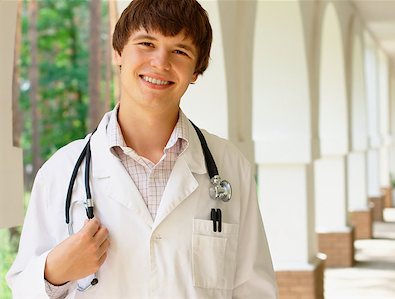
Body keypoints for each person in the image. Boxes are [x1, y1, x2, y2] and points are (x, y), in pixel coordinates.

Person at [7, 0, 277, 298]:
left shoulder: (229, 167)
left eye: (180, 51)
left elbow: (255, 290)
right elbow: (22, 290)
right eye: (146, 43)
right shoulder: (61, 171)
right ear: (118, 51)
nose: (161, 62)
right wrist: (54, 271)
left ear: (197, 71)